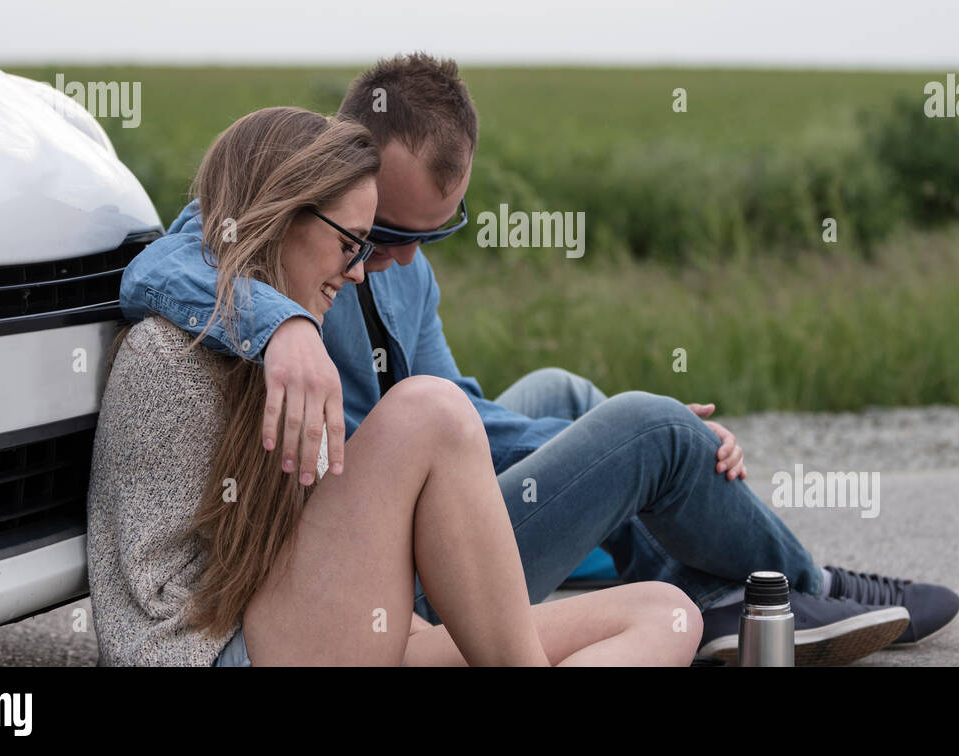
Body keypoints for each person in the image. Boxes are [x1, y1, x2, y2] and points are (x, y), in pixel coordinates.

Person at [121, 57, 959, 665]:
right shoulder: (282, 240)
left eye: (429, 238)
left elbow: (465, 415)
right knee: (643, 431)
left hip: (408, 502)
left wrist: (607, 445)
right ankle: (800, 588)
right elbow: (155, 269)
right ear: (333, 172)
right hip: (364, 564)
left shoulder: (397, 280)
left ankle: (712, 588)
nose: (399, 259)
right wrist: (282, 327)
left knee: (567, 398)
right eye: (383, 234)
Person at [87, 106, 702, 666]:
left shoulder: (292, 355)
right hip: (220, 654)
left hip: (331, 634)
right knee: (430, 409)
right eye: (351, 244)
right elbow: (163, 616)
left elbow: (311, 547)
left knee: (666, 613)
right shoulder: (169, 356)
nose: (359, 272)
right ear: (279, 215)